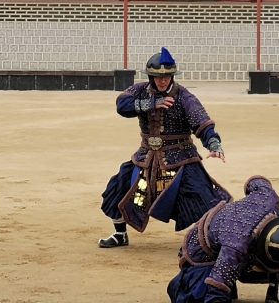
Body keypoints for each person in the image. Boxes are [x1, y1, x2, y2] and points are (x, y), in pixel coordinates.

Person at [99, 47, 231, 248]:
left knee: (202, 197)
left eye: (167, 76)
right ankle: (120, 234)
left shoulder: (184, 96)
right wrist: (152, 103)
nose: (162, 81)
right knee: (118, 187)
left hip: (180, 156)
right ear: (151, 77)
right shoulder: (141, 90)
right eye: (157, 76)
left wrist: (213, 142)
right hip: (145, 156)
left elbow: (201, 122)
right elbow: (122, 105)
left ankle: (207, 241)